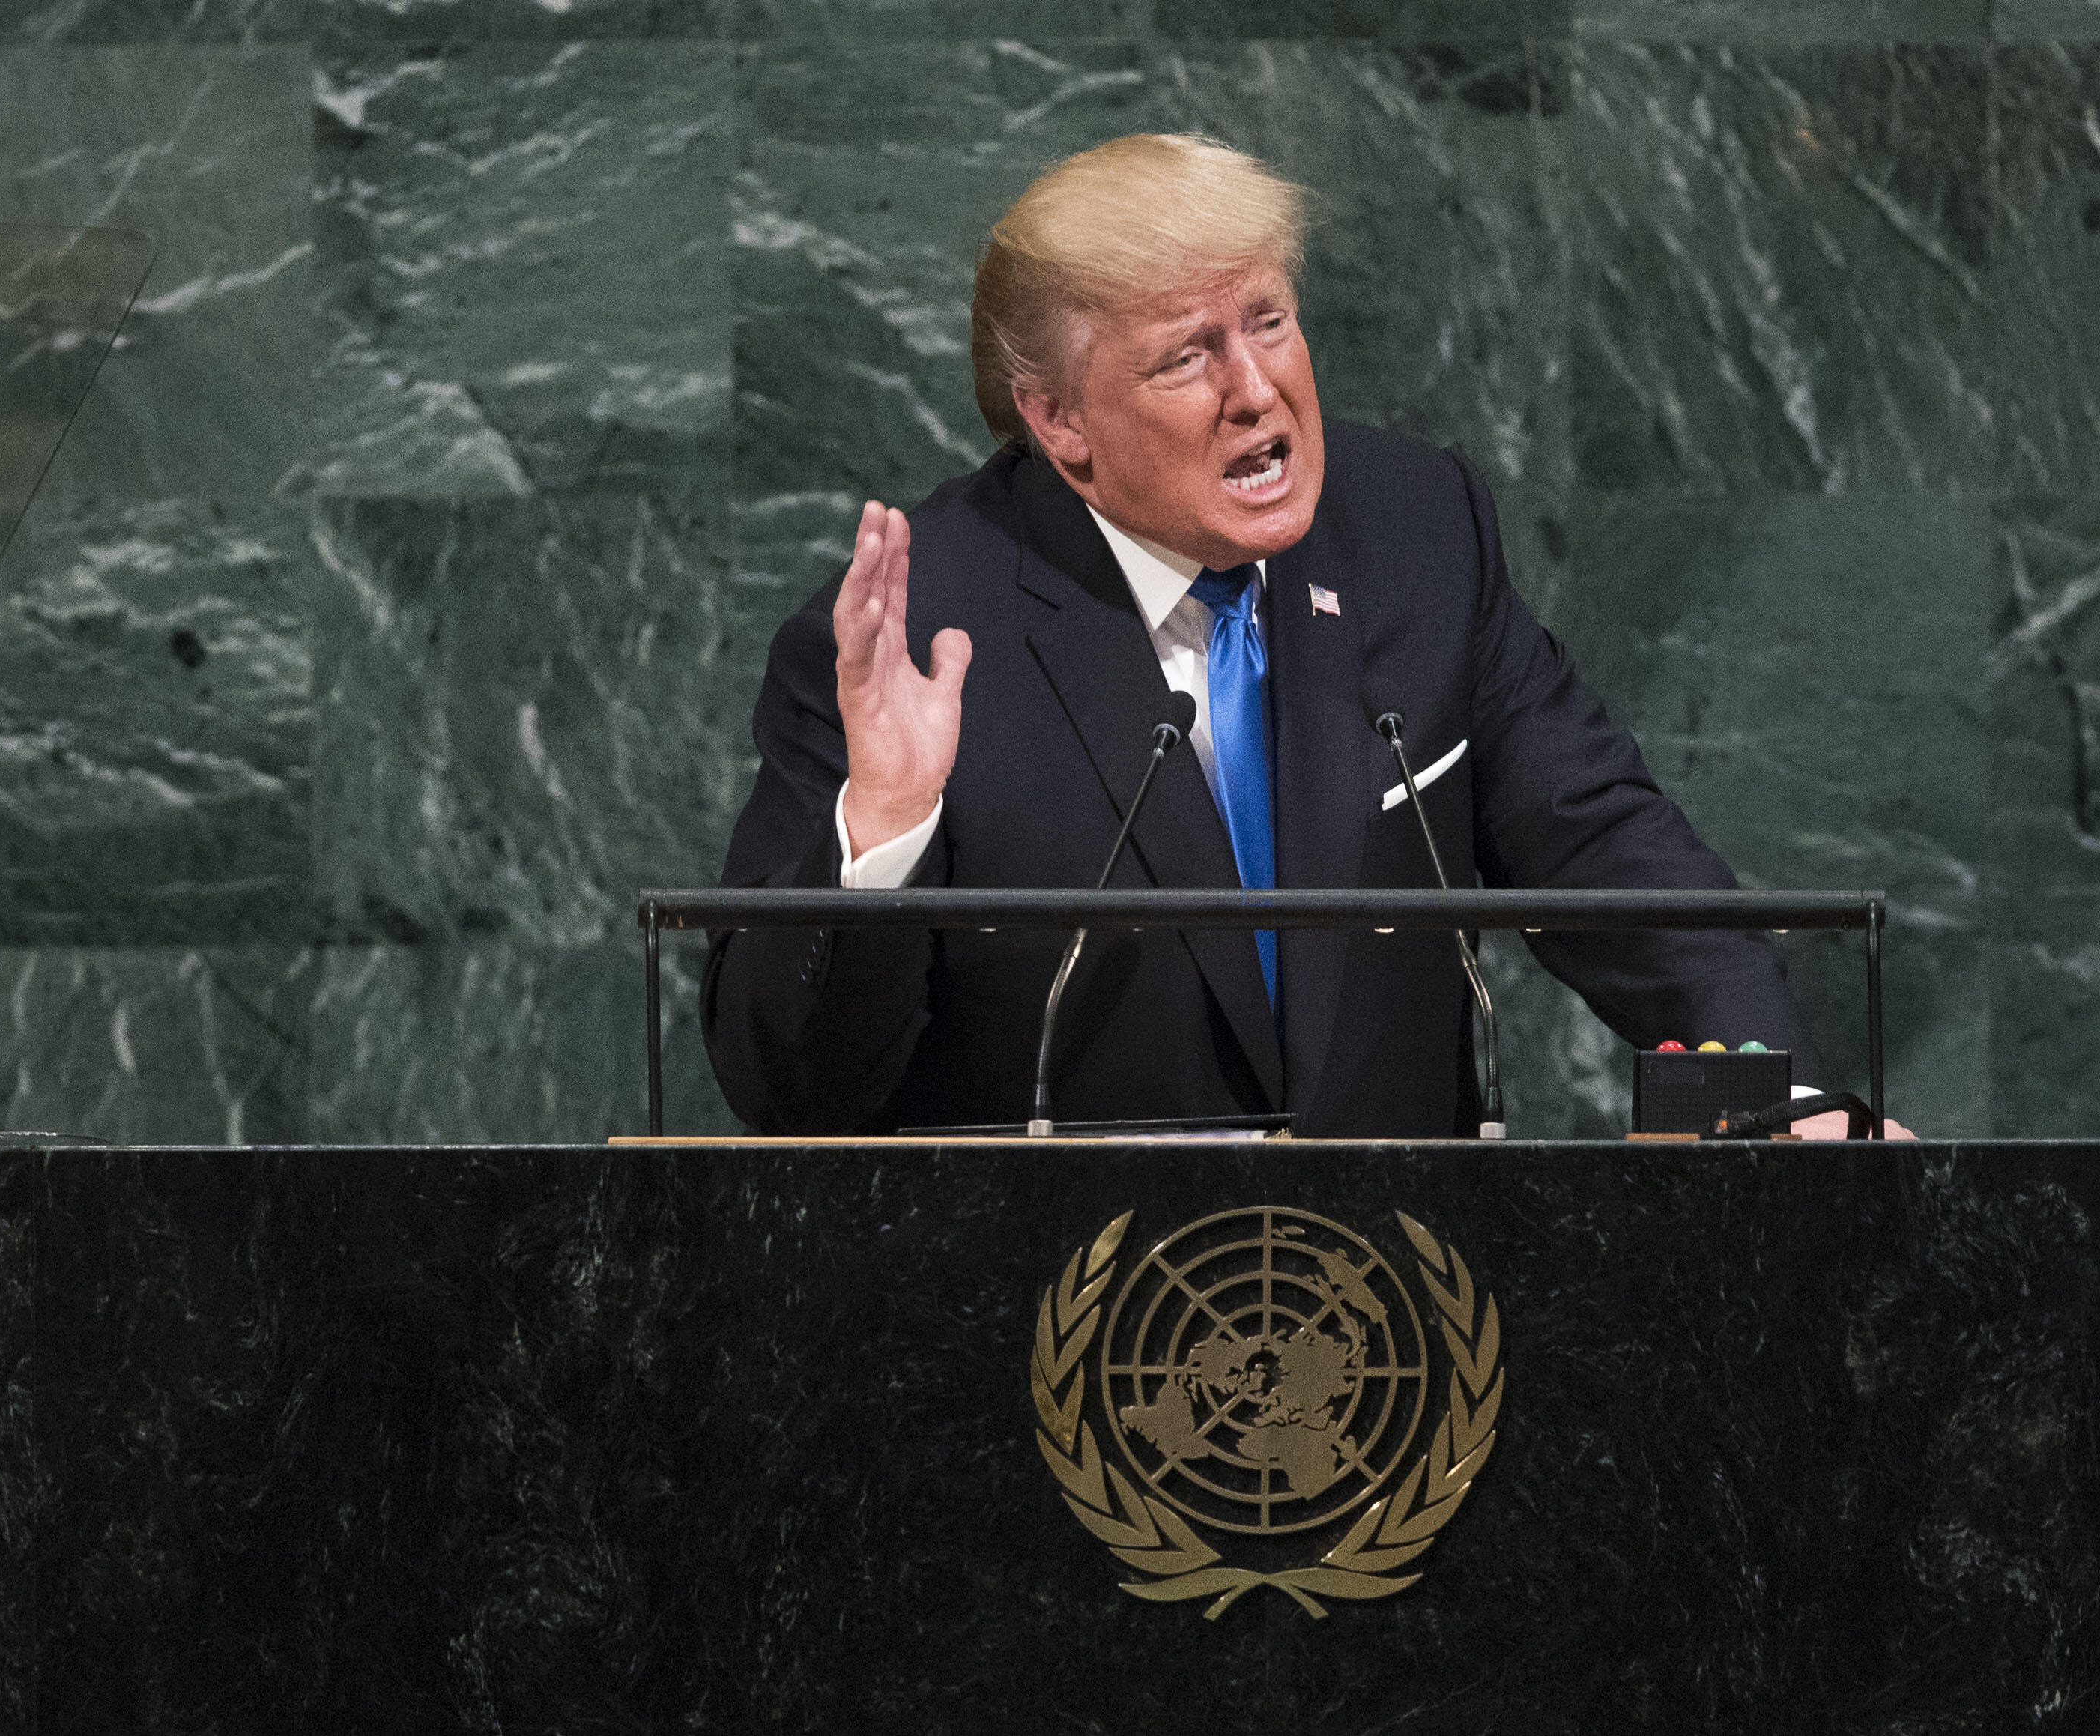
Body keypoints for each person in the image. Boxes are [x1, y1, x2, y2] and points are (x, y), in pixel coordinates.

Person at [704, 133, 1897, 1139]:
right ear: (1059, 419)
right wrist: (888, 827)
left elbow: (1604, 850)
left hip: (1401, 1322)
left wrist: (1769, 1099)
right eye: (1187, 354)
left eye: (1269, 321)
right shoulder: (910, 641)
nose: (1257, 388)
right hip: (1061, 1331)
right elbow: (790, 1096)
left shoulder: (1416, 530)